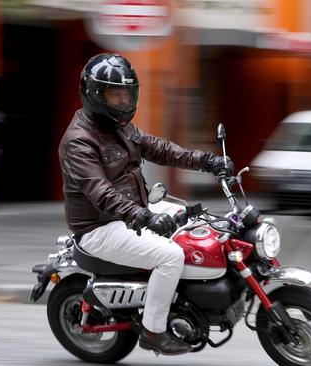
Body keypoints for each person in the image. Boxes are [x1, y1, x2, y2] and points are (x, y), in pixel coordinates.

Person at [58, 53, 231, 355]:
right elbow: (100, 192)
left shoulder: (120, 127)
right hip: (100, 226)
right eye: (115, 95)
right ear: (94, 94)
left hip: (132, 214)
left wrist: (207, 161)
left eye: (128, 93)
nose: (124, 101)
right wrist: (142, 215)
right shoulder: (79, 141)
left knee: (203, 225)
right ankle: (154, 331)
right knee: (171, 256)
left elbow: (162, 150)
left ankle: (193, 302)